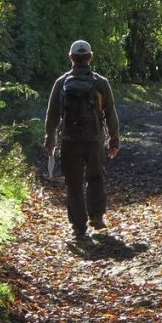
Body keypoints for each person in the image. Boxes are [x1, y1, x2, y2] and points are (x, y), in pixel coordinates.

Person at [43, 39, 120, 239]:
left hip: (69, 140)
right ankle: (96, 216)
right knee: (95, 177)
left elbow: (52, 114)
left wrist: (50, 138)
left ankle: (78, 226)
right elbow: (110, 113)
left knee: (73, 183)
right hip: (94, 139)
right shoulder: (100, 82)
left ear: (71, 57)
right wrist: (114, 140)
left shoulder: (61, 82)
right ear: (90, 57)